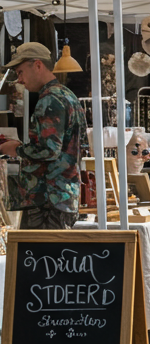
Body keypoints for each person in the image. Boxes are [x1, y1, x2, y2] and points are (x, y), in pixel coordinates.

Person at [0, 43, 87, 229]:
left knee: (41, 255)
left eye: (20, 72)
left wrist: (15, 149)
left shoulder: (50, 99)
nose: (19, 80)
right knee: (56, 255)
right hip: (62, 196)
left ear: (38, 65)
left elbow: (49, 151)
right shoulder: (67, 95)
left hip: (47, 199)